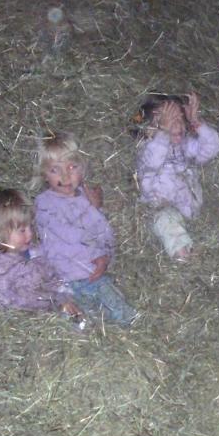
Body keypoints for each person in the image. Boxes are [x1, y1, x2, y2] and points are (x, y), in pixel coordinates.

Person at [33, 131, 139, 327]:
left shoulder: (84, 196)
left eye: (72, 167)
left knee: (122, 310)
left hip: (93, 275)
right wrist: (96, 254)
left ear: (82, 169)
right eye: (55, 170)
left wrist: (95, 208)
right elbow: (67, 236)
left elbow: (102, 231)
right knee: (76, 318)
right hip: (64, 279)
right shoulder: (45, 204)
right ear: (44, 174)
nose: (65, 175)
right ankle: (81, 324)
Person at [0, 186, 83, 322]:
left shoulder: (32, 251)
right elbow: (6, 301)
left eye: (30, 226)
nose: (30, 234)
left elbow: (51, 276)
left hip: (51, 306)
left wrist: (63, 296)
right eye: (22, 230)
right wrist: (52, 304)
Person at [135, 92, 219, 262]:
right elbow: (149, 168)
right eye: (165, 120)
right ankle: (183, 257)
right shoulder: (147, 151)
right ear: (148, 128)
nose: (174, 124)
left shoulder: (185, 146)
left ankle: (194, 245)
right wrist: (162, 134)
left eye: (179, 118)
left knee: (205, 227)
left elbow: (214, 147)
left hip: (190, 213)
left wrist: (196, 122)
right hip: (161, 209)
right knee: (166, 221)